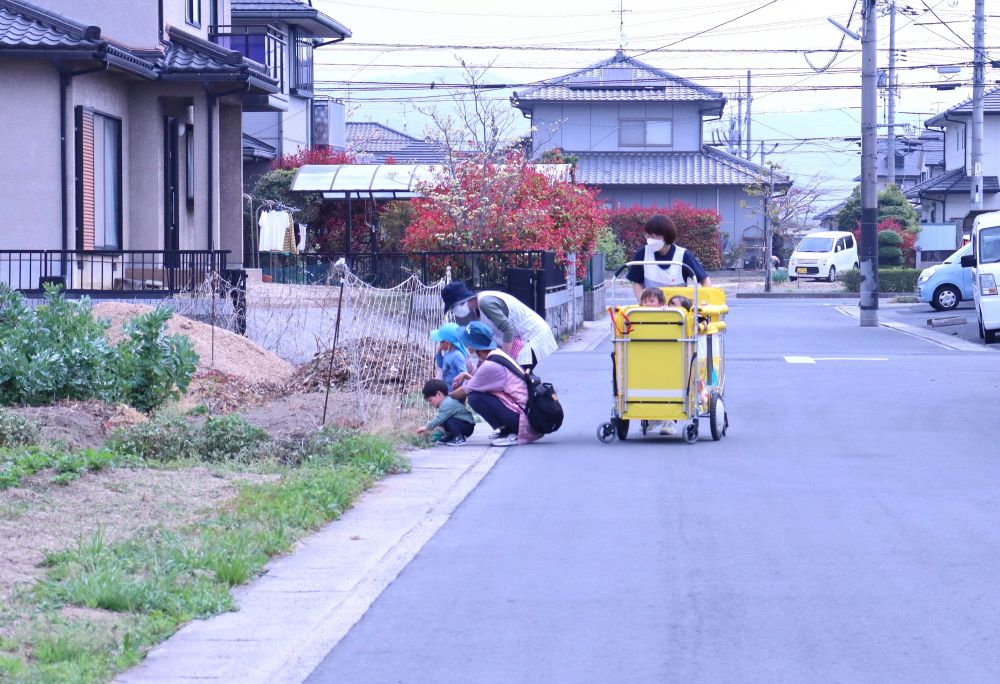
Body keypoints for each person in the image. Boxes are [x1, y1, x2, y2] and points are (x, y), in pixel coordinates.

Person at [450, 321, 543, 447]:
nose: (466, 345)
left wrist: (444, 397)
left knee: (474, 397)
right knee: (478, 393)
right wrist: (466, 375)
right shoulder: (497, 354)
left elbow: (466, 390)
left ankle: (512, 431)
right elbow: (480, 381)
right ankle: (507, 429)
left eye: (467, 342)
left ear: (473, 345)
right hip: (529, 414)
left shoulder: (490, 365)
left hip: (525, 421)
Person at [441, 281, 557, 372]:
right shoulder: (478, 308)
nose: (454, 311)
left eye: (453, 307)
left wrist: (504, 359)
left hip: (532, 336)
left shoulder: (485, 303)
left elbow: (507, 329)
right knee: (519, 378)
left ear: (461, 302)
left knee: (518, 377)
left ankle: (540, 400)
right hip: (522, 339)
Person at [627, 214, 712, 303]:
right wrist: (643, 302)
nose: (651, 240)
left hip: (678, 311)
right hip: (652, 310)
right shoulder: (642, 254)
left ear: (666, 236)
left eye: (655, 236)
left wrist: (702, 302)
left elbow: (705, 281)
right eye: (649, 236)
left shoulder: (683, 255)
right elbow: (636, 283)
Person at [417, 379, 476, 446]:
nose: (430, 403)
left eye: (430, 400)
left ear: (438, 394)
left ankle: (460, 438)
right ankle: (452, 436)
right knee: (445, 420)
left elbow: (439, 419)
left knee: (449, 421)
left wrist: (426, 427)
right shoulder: (445, 403)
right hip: (463, 424)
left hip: (467, 426)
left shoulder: (447, 403)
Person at [430, 322, 468, 390]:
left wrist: (457, 388)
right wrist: (439, 352)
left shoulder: (457, 356)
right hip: (447, 388)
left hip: (454, 391)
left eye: (441, 341)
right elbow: (441, 365)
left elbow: (463, 373)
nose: (439, 344)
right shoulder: (448, 352)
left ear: (447, 342)